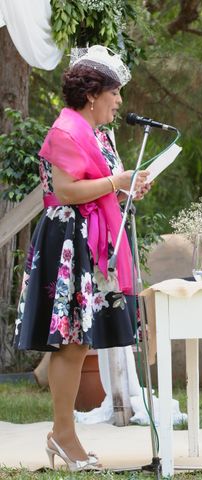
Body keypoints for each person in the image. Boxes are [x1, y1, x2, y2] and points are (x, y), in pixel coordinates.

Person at [13, 45, 150, 471]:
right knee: (70, 341)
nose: (120, 101)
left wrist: (128, 186)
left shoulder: (101, 134)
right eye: (115, 92)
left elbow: (106, 184)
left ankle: (62, 434)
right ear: (93, 93)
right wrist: (116, 181)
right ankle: (63, 433)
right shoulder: (66, 130)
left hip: (92, 240)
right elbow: (66, 190)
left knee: (80, 340)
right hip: (68, 241)